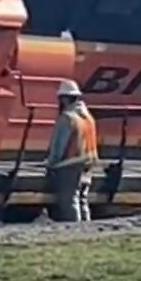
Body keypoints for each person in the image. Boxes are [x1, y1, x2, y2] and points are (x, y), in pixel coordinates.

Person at [45, 79, 99, 222]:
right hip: (88, 164)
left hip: (70, 165)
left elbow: (59, 145)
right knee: (82, 199)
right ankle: (86, 230)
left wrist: (51, 164)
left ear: (64, 98)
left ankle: (74, 230)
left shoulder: (67, 118)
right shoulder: (88, 117)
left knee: (69, 200)